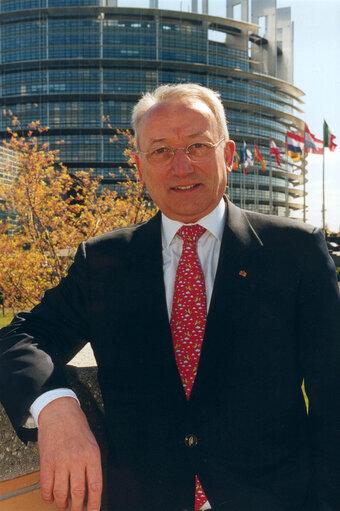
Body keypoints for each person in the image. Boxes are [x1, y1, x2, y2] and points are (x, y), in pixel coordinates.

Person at [0, 83, 339, 511]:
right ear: (140, 168)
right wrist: (55, 407)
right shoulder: (103, 260)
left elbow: (333, 400)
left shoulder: (296, 251)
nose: (181, 167)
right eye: (160, 151)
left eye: (197, 146)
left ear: (228, 155)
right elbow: (22, 336)